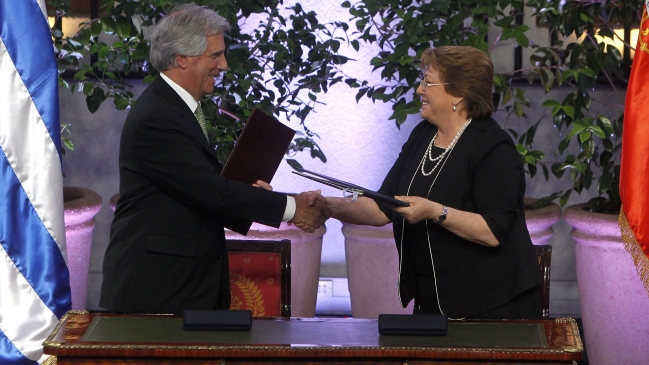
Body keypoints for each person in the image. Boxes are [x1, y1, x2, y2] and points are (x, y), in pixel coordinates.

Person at [100, 4, 328, 315]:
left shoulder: (177, 109)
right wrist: (293, 208)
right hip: (157, 291)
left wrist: (250, 194)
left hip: (184, 286)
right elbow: (210, 191)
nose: (224, 65)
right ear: (182, 57)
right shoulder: (157, 117)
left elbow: (198, 192)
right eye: (215, 55)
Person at [315, 46, 542, 319]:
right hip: (433, 303)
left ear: (458, 93)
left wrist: (435, 211)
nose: (420, 90)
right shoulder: (423, 136)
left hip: (493, 309)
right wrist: (327, 207)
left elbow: (492, 231)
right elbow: (382, 207)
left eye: (427, 82)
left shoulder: (493, 146)